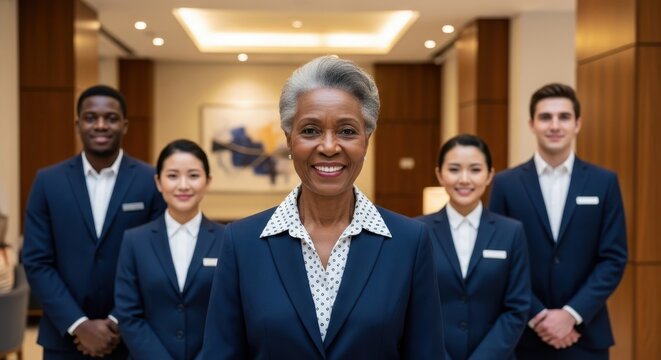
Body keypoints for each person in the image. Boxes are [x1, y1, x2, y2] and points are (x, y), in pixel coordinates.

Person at [200, 55, 444, 359]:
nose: (329, 147)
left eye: (347, 131)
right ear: (289, 140)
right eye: (311, 131)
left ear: (366, 140)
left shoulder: (410, 243)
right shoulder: (241, 242)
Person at [22, 85, 166, 359]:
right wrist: (79, 325)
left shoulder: (151, 181)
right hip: (63, 337)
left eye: (111, 118)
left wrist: (115, 321)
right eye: (91, 117)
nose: (101, 125)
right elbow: (36, 261)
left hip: (130, 338)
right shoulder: (47, 182)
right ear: (78, 123)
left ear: (124, 125)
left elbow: (154, 259)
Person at [489, 83, 627, 359]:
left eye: (564, 117)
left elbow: (613, 258)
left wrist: (571, 315)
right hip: (524, 335)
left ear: (577, 124)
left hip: (587, 334)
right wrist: (539, 315)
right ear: (532, 124)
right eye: (545, 117)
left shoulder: (604, 182)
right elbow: (499, 258)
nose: (555, 125)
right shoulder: (506, 184)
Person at [417, 134, 530, 359]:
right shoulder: (417, 231)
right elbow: (413, 307)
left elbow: (517, 308)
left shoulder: (511, 232)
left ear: (489, 176)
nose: (465, 179)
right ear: (440, 174)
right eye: (455, 169)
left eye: (475, 170)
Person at [115, 139, 224, 359]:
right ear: (158, 182)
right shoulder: (135, 241)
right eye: (173, 176)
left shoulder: (228, 240)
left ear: (208, 181)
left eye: (193, 175)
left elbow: (230, 314)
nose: (183, 185)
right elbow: (128, 314)